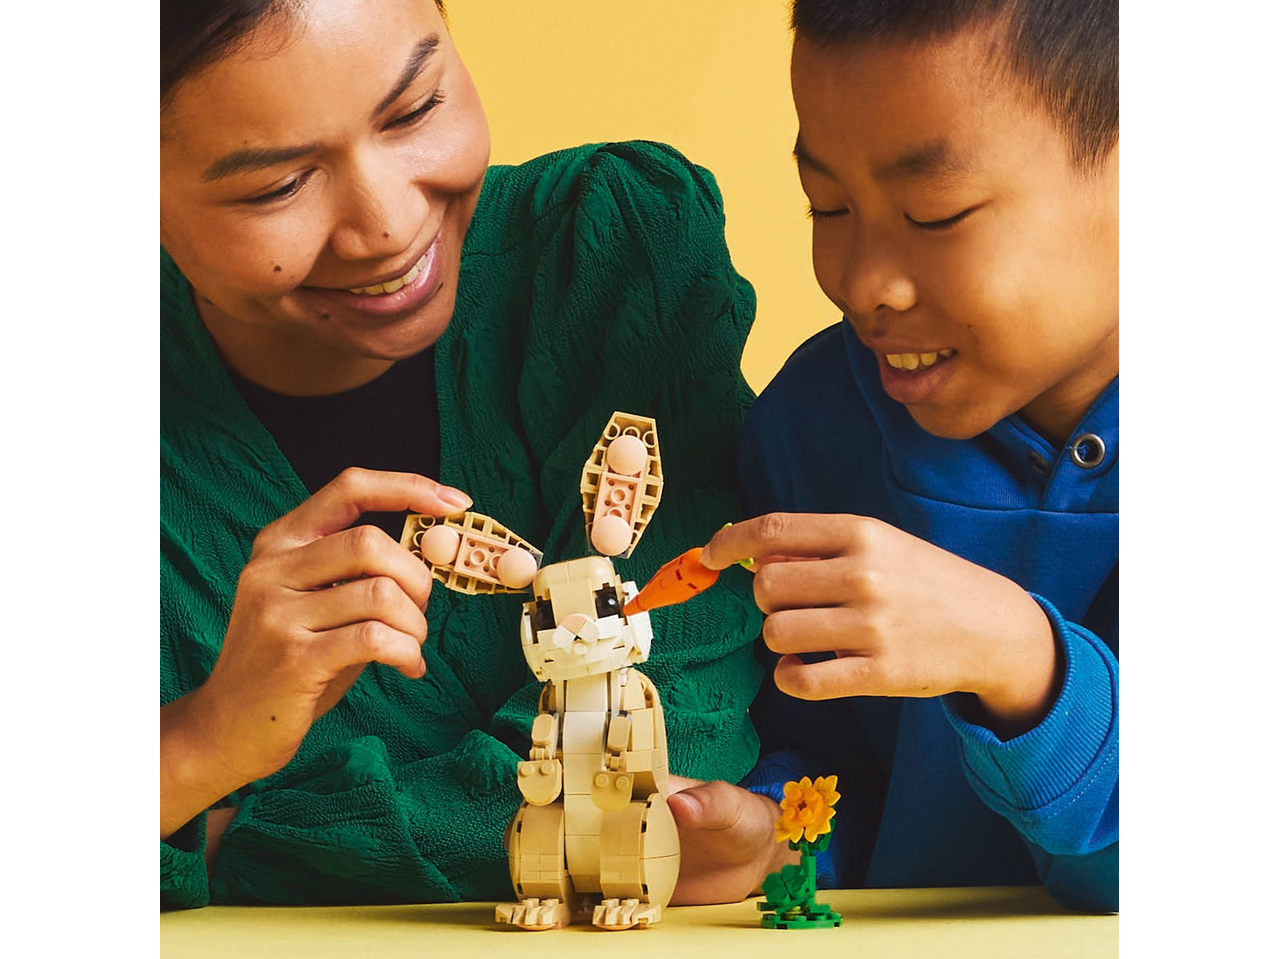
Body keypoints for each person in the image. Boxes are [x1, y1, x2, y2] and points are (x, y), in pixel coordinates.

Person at [160, 0, 787, 909]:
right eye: (276, 186)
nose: (384, 225)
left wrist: (226, 837)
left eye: (415, 109)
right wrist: (208, 739)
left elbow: (674, 731)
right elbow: (613, 820)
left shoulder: (605, 248)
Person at [687, 0, 1119, 913]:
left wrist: (1023, 663)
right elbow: (823, 754)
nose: (864, 284)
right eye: (828, 204)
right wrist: (773, 834)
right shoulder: (812, 426)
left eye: (935, 214)